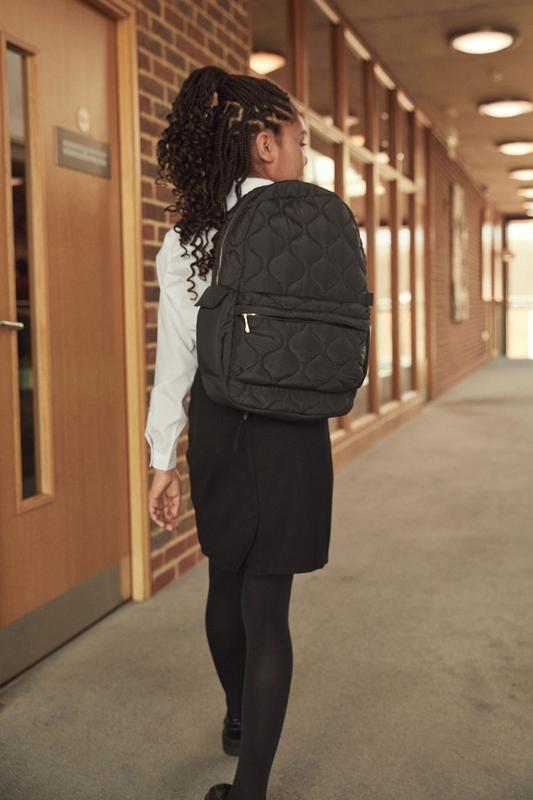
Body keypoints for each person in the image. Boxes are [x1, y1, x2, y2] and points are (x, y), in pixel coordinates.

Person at [144, 65, 334, 800]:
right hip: (292, 431)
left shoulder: (186, 239)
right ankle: (250, 788)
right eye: (298, 139)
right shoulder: (316, 222)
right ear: (264, 145)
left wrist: (162, 458)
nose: (304, 154)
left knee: (225, 577)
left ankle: (235, 715)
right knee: (269, 611)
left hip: (220, 421)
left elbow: (175, 361)